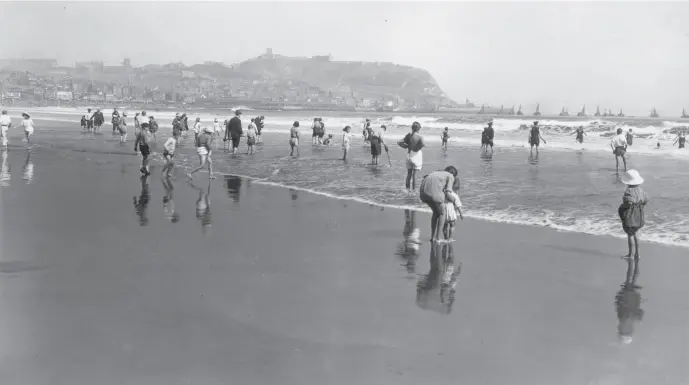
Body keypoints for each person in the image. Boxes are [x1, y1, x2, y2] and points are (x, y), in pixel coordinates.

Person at [419, 166, 459, 243]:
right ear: (453, 174)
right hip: (434, 193)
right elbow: (448, 193)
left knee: (436, 213)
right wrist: (455, 201)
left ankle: (432, 237)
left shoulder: (435, 172)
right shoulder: (450, 176)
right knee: (442, 213)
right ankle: (438, 238)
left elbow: (425, 178)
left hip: (423, 192)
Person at [617, 169, 649, 259]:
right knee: (637, 233)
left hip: (631, 215)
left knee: (630, 235)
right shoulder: (641, 190)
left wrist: (624, 206)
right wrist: (640, 205)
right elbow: (646, 199)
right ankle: (637, 254)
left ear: (627, 182)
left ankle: (630, 254)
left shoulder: (629, 191)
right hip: (639, 213)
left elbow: (629, 202)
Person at [398, 121, 425, 191]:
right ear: (418, 129)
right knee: (415, 175)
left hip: (409, 156)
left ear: (412, 128)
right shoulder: (419, 137)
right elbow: (423, 144)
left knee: (409, 174)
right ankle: (413, 191)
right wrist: (416, 148)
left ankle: (407, 190)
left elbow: (399, 142)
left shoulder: (408, 135)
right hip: (416, 156)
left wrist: (406, 146)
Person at [442, 177, 464, 242]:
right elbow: (458, 205)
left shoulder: (443, 193)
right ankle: (450, 237)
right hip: (451, 212)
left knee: (445, 225)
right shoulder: (454, 195)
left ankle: (445, 237)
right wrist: (461, 214)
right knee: (452, 225)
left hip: (443, 212)